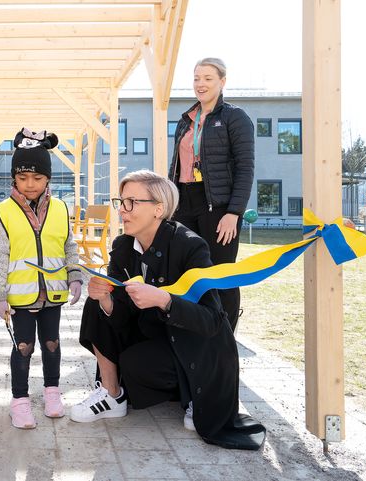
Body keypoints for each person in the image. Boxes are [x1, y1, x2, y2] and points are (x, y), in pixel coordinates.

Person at [70, 170, 265, 450]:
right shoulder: (123, 246)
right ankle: (112, 395)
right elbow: (123, 313)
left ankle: (196, 396)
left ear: (158, 209)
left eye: (131, 203)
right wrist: (107, 301)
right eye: (120, 202)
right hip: (155, 332)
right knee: (96, 303)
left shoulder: (190, 245)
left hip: (196, 340)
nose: (122, 211)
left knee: (139, 363)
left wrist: (164, 300)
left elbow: (211, 321)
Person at [0, 128, 82, 429]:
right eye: (23, 177)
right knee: (23, 346)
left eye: (37, 178)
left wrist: (75, 275)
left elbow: (69, 245)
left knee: (52, 343)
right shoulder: (2, 211)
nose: (30, 184)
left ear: (48, 179)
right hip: (20, 296)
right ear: (14, 178)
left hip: (53, 294)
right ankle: (20, 400)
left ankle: (52, 391)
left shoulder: (60, 208)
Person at [168, 57, 255, 332]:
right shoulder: (186, 121)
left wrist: (233, 213)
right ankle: (198, 327)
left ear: (222, 82)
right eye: (196, 78)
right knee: (190, 268)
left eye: (207, 78)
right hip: (185, 201)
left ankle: (226, 333)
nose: (200, 84)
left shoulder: (234, 117)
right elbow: (176, 167)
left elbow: (245, 168)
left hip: (218, 206)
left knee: (221, 271)